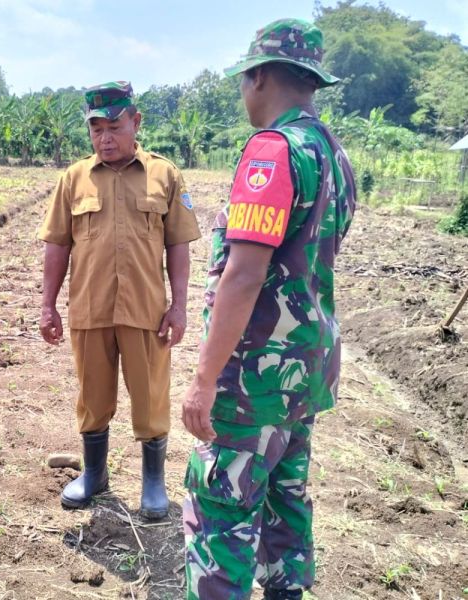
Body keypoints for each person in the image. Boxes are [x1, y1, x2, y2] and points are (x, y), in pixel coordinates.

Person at [180, 19, 357, 600]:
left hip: (255, 375)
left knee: (221, 513)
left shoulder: (272, 151)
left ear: (257, 77)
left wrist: (204, 381)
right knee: (286, 498)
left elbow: (245, 272)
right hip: (306, 369)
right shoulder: (333, 154)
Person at [38, 81, 201, 520]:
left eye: (114, 126)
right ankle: (94, 474)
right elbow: (57, 244)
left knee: (151, 397)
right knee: (93, 397)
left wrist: (180, 304)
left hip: (146, 310)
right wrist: (47, 305)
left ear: (136, 122)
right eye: (96, 129)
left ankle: (152, 481)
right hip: (90, 308)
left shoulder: (163, 175)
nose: (104, 138)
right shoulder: (74, 178)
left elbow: (178, 245)